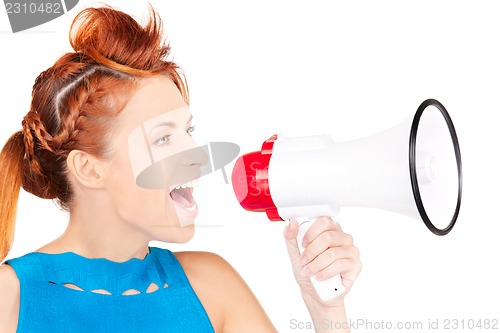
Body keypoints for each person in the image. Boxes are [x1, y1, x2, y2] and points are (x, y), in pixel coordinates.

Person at [0, 5, 361, 332]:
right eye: (162, 139)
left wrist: (326, 310)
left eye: (186, 131)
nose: (197, 155)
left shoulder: (212, 287)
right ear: (90, 169)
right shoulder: (9, 298)